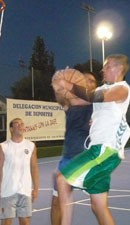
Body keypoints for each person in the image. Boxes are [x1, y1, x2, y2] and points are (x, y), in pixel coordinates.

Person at [56, 54, 130, 225]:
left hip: (103, 151)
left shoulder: (122, 88)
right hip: (103, 151)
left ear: (118, 68)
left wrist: (68, 84)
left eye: (107, 66)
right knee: (98, 207)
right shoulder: (102, 90)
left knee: (62, 180)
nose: (102, 69)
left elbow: (94, 97)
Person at [50, 72, 97, 225]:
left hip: (88, 158)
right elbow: (60, 98)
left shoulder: (99, 103)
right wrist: (58, 83)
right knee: (56, 202)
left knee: (98, 205)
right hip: (68, 158)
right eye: (85, 80)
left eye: (92, 80)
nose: (88, 82)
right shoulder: (71, 102)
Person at [0, 118, 39, 225]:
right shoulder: (3, 146)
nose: (21, 125)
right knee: (7, 222)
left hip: (25, 191)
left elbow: (34, 168)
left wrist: (36, 188)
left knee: (25, 222)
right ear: (11, 129)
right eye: (17, 123)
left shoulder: (31, 146)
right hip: (8, 191)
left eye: (22, 123)